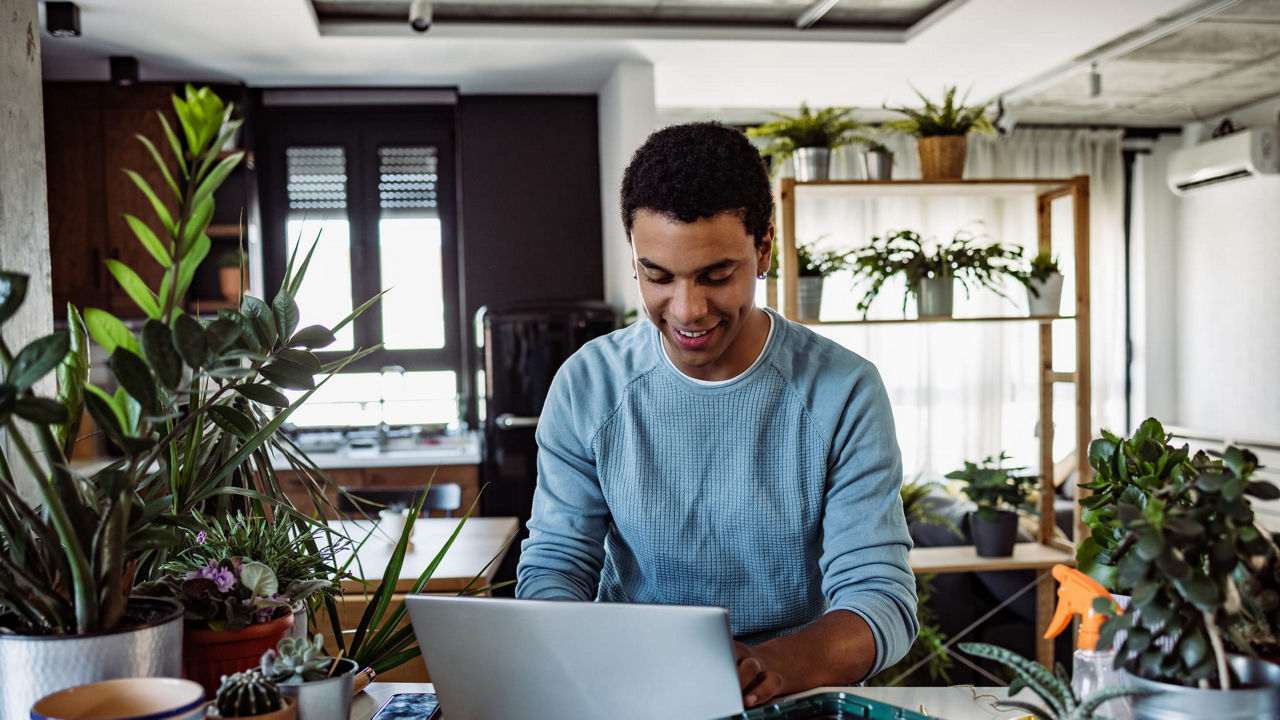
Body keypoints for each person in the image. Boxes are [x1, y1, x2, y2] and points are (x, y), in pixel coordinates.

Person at [515, 121, 917, 707]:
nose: (687, 310)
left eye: (716, 275)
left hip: (792, 695)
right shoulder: (589, 385)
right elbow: (556, 564)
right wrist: (579, 658)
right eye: (657, 275)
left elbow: (880, 598)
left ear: (764, 249)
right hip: (628, 691)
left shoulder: (843, 390)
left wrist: (764, 667)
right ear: (634, 258)